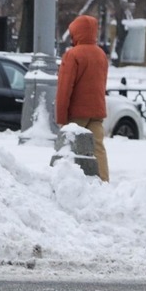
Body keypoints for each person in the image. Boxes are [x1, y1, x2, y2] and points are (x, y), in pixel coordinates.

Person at [55, 15, 110, 182]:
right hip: (96, 111)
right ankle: (103, 181)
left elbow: (65, 88)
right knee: (98, 148)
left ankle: (65, 182)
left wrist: (61, 117)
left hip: (76, 114)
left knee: (69, 148)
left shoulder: (73, 55)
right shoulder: (101, 54)